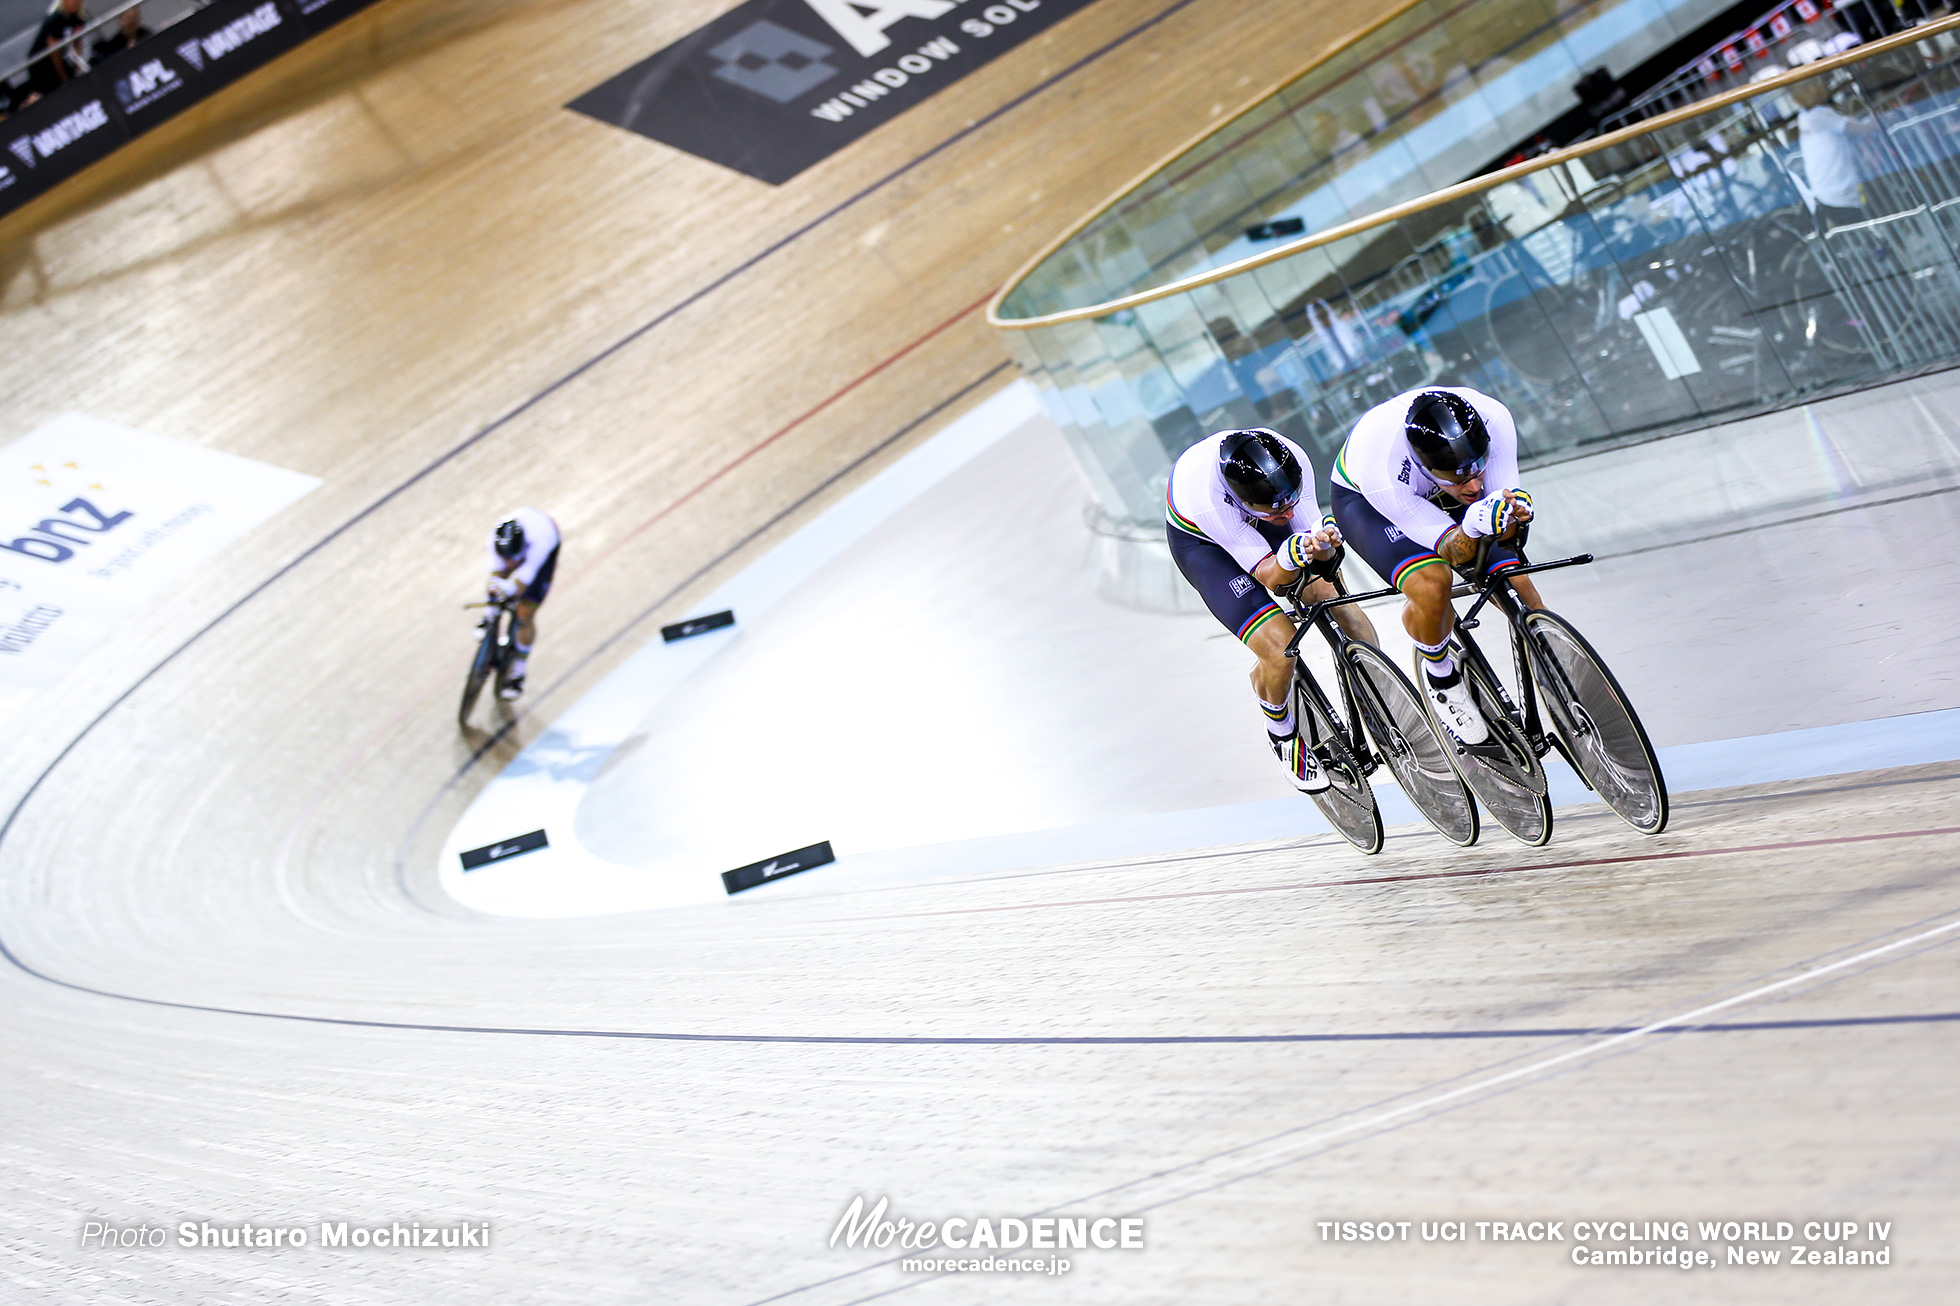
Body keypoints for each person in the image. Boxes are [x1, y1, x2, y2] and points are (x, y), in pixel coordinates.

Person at [1167, 427, 1376, 793]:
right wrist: (1289, 556)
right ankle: (1281, 731)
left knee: (1339, 602)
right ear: (1242, 500)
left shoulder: (1291, 457)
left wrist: (1322, 544)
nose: (1290, 510)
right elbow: (1270, 576)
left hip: (1261, 517)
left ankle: (1380, 694)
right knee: (1279, 648)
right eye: (1278, 507)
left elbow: (1315, 544)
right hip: (1205, 545)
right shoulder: (1209, 499)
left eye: (1292, 498)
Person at [1328, 388, 1541, 745]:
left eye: (1477, 469)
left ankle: (1553, 661)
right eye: (1458, 477)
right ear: (1425, 464)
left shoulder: (1493, 417)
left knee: (1517, 581)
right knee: (1432, 583)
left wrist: (1514, 512)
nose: (1474, 485)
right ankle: (1441, 677)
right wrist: (1473, 523)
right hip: (1369, 504)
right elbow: (1454, 551)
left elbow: (1506, 509)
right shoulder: (1383, 466)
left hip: (1431, 485)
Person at [484, 507, 560, 701]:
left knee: (525, 613)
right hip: (522, 538)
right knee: (496, 584)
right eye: (506, 559)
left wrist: (511, 588)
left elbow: (523, 580)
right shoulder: (493, 540)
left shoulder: (541, 542)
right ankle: (488, 618)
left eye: (513, 558)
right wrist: (495, 592)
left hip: (543, 550)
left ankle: (518, 672)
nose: (510, 564)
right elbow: (495, 575)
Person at [27, 0, 90, 100]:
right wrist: (64, 79)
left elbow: (78, 43)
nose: (74, 3)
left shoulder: (78, 17)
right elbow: (54, 53)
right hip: (41, 65)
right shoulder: (55, 19)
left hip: (62, 59)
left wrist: (78, 64)